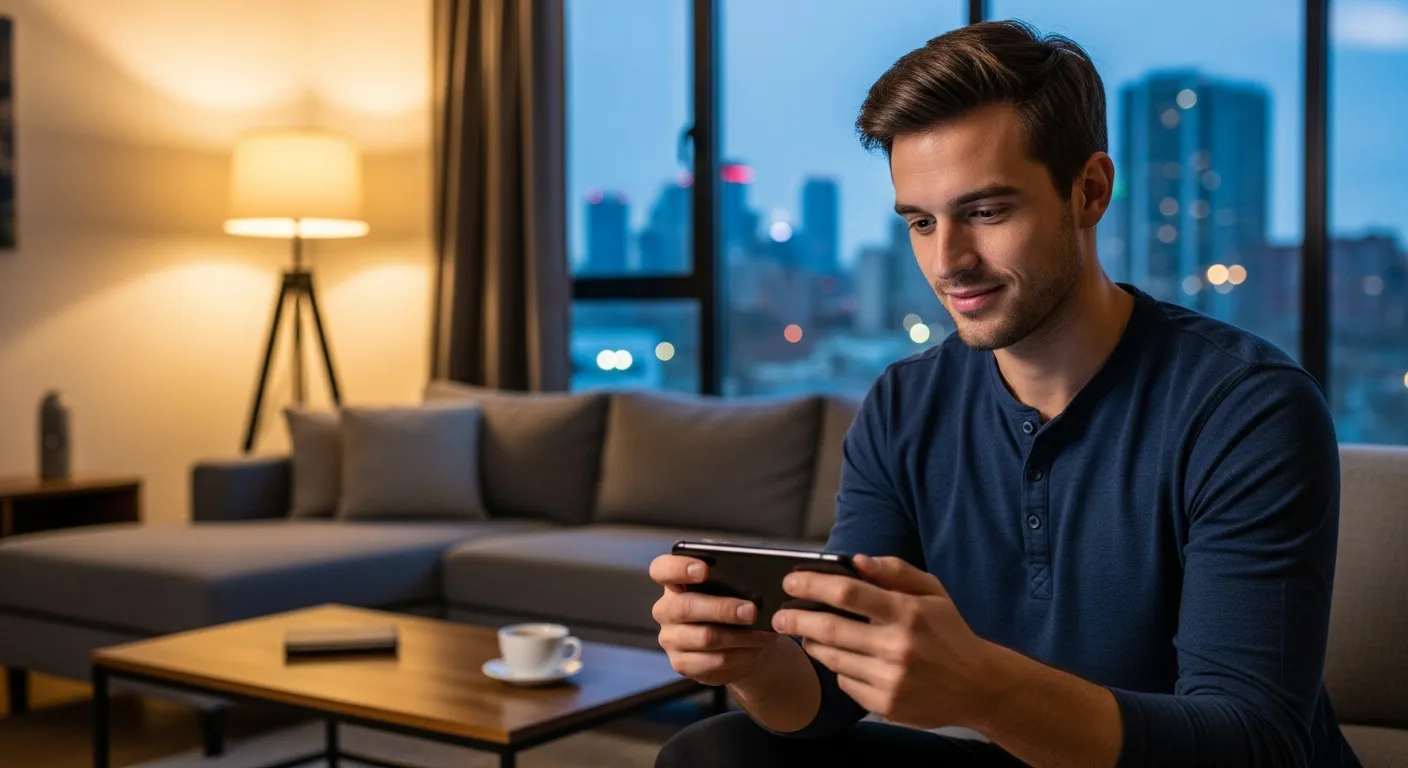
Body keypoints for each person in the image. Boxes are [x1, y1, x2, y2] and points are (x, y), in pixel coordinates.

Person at [648, 20, 1362, 768]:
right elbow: (828, 698)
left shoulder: (1249, 408)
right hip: (1027, 755)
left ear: (1088, 191)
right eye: (921, 223)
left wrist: (983, 692)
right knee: (717, 752)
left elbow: (1254, 744)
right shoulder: (902, 407)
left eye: (987, 212)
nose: (948, 262)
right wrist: (756, 663)